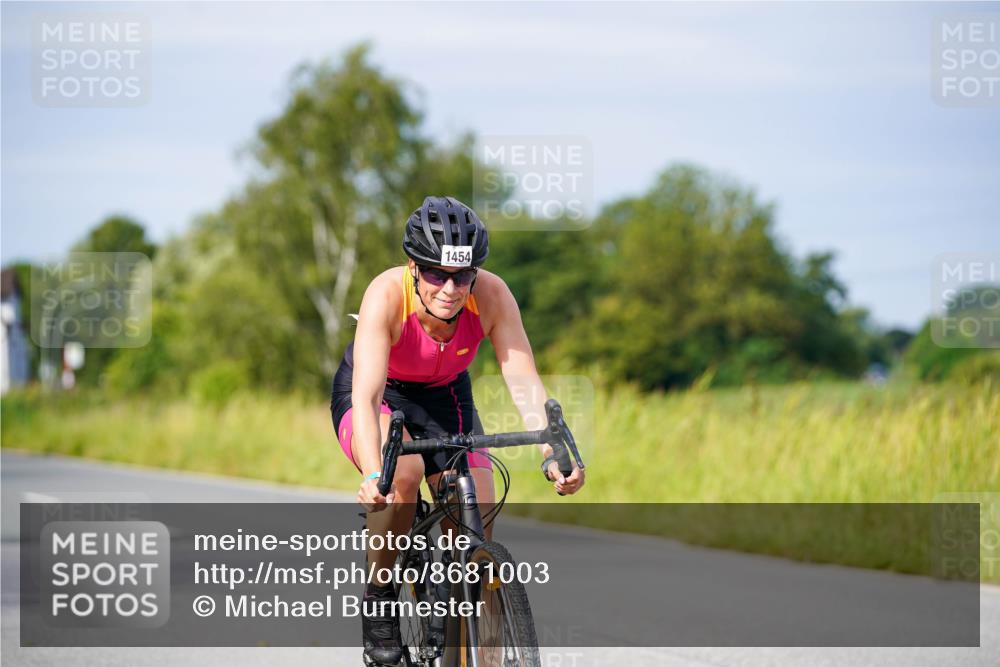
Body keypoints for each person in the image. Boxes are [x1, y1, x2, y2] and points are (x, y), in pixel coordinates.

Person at [330, 195, 585, 664]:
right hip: (379, 395)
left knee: (476, 515)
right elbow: (366, 396)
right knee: (402, 477)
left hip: (446, 397)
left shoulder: (492, 295)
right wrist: (372, 473)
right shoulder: (386, 294)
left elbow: (523, 378)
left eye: (462, 276)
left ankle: (464, 623)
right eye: (436, 275)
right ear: (414, 267)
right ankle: (380, 597)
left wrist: (553, 452)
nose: (450, 289)